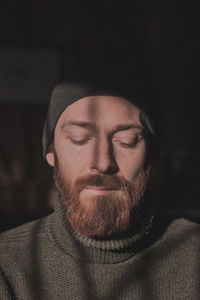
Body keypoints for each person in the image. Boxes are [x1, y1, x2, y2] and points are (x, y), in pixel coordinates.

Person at [0, 59, 199, 300]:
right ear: (51, 151)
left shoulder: (193, 257)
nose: (103, 162)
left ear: (151, 155)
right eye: (80, 139)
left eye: (127, 141)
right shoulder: (8, 264)